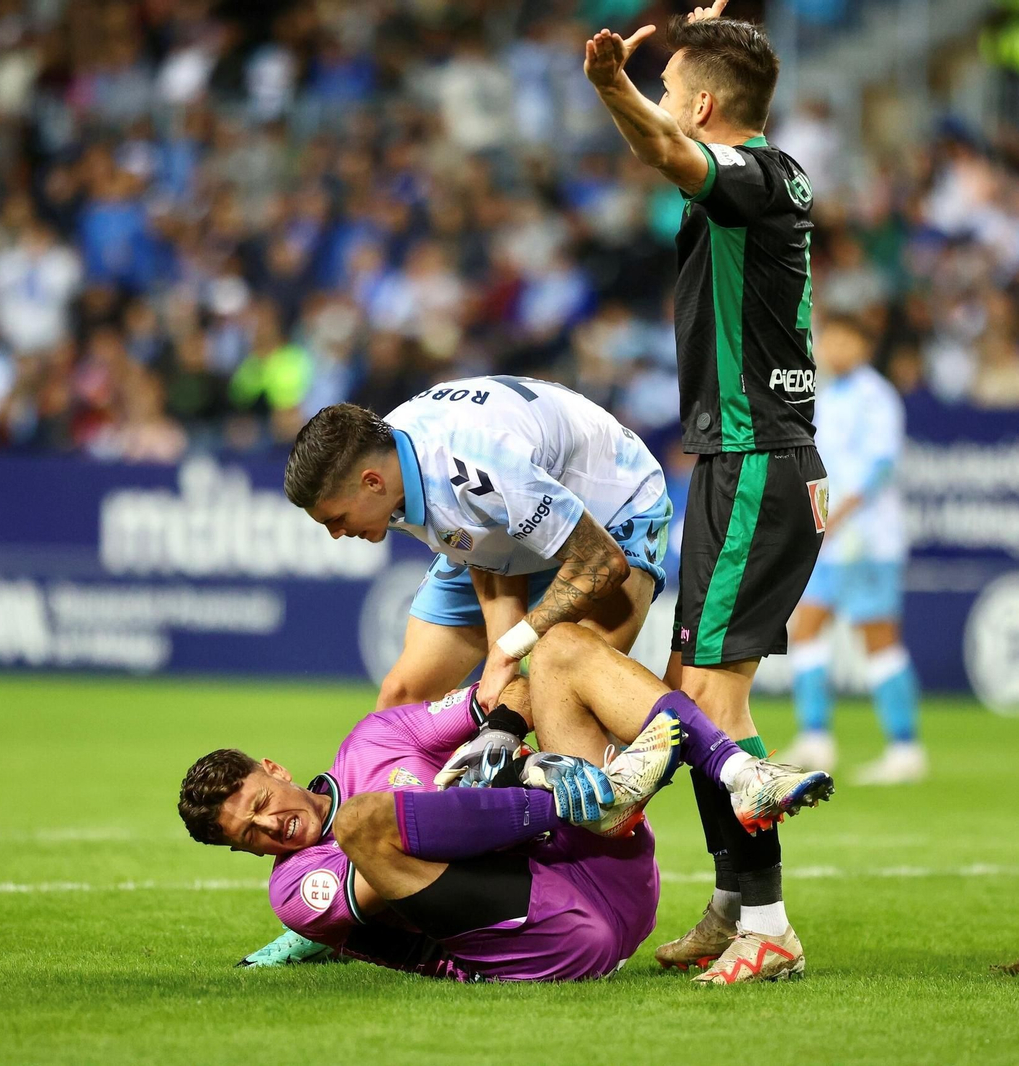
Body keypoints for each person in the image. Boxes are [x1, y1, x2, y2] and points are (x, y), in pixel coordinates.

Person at [239, 376, 671, 966]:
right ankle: (359, 887)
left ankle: (587, 903)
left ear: (371, 482)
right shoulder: (395, 465)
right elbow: (485, 543)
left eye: (335, 519)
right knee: (403, 690)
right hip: (512, 527)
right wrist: (499, 657)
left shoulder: (468, 465)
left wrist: (515, 652)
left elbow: (600, 562)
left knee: (553, 685)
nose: (337, 534)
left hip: (609, 516)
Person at [584, 0, 829, 984]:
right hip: (741, 461)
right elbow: (675, 154)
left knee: (712, 702)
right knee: (691, 698)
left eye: (675, 88)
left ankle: (768, 928)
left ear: (704, 101)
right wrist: (645, 85)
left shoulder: (753, 175)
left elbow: (670, 156)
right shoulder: (756, 179)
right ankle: (735, 906)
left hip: (758, 458)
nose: (665, 103)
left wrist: (611, 84)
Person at [177, 623, 832, 982]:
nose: (272, 827)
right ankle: (584, 798)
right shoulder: (294, 894)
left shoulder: (372, 739)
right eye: (251, 837)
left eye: (260, 803)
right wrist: (512, 787)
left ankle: (734, 768)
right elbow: (383, 866)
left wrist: (498, 734)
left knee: (558, 650)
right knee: (361, 825)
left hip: (606, 876)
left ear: (274, 769)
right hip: (540, 941)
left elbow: (507, 695)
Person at [781, 316, 924, 783]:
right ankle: (816, 737)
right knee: (806, 629)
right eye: (829, 338)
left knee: (877, 636)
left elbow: (880, 466)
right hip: (827, 538)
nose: (835, 347)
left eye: (846, 338)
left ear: (864, 344)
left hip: (866, 538)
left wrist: (838, 517)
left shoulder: (875, 395)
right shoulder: (818, 394)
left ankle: (905, 747)